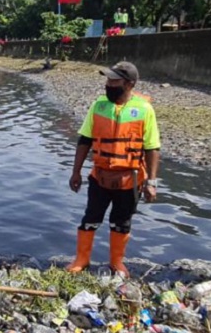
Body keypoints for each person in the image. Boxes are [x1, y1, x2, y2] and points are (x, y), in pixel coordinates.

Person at [67, 62, 161, 276]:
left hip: (130, 179)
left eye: (114, 81)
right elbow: (85, 140)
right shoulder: (98, 106)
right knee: (90, 218)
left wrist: (152, 182)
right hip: (100, 177)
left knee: (121, 222)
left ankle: (116, 262)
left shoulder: (144, 110)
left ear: (129, 84)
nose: (108, 84)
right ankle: (82, 259)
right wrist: (76, 172)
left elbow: (152, 147)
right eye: (108, 80)